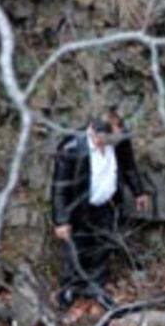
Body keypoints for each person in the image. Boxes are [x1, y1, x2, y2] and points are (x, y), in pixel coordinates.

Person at [51, 114, 150, 311]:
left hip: (108, 204)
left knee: (102, 248)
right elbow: (59, 188)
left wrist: (138, 191)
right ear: (95, 133)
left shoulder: (119, 140)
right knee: (76, 249)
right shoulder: (71, 148)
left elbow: (129, 166)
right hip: (79, 207)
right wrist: (61, 220)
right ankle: (70, 289)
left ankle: (96, 287)